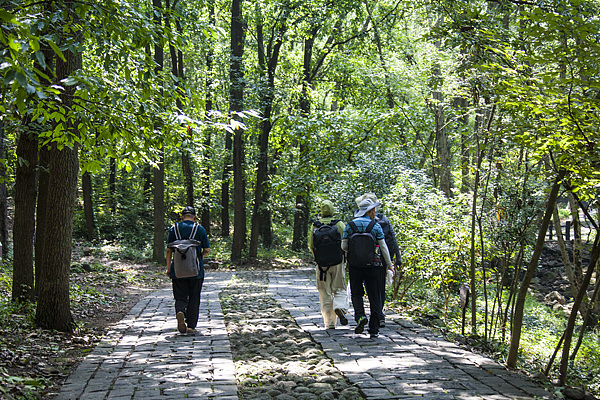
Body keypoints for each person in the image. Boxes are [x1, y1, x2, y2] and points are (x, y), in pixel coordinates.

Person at [342, 198, 392, 338]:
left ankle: (360, 317)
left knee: (356, 293)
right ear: (370, 211)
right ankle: (374, 329)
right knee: (374, 296)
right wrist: (389, 265)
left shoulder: (350, 225)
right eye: (373, 210)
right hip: (373, 266)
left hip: (355, 266)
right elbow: (383, 247)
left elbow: (343, 247)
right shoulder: (375, 226)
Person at [355, 194, 401, 328]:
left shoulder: (358, 221)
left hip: (363, 259)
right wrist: (396, 259)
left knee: (368, 287)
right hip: (381, 260)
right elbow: (392, 239)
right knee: (379, 288)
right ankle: (379, 315)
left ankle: (374, 314)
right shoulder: (384, 220)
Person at [166, 206, 210, 334]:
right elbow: (206, 249)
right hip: (196, 270)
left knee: (180, 295)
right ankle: (191, 326)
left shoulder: (174, 229)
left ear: (182, 217)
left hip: (178, 270)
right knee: (194, 297)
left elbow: (169, 250)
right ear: (195, 217)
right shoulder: (199, 229)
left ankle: (180, 310)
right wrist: (199, 257)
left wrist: (169, 268)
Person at [308, 200, 349, 329]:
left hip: (321, 266)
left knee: (324, 293)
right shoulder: (340, 224)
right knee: (340, 289)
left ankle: (330, 323)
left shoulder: (315, 226)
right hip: (338, 263)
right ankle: (339, 307)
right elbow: (346, 244)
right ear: (332, 210)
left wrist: (318, 259)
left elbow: (311, 246)